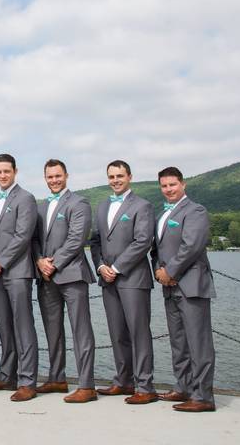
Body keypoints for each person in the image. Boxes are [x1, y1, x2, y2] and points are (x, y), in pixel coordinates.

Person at [89, 160, 158, 404]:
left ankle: (145, 387)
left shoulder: (143, 206)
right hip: (107, 279)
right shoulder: (102, 205)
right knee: (117, 333)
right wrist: (100, 266)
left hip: (133, 279)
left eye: (120, 175)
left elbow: (142, 242)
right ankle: (124, 381)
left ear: (129, 177)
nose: (115, 180)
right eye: (111, 176)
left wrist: (116, 268)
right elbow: (95, 241)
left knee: (139, 333)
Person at [151, 167, 217, 412]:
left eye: (172, 184)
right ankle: (184, 387)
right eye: (164, 186)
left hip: (191, 285)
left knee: (199, 343)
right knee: (179, 341)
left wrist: (170, 271)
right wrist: (159, 271)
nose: (168, 189)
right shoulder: (162, 215)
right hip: (169, 287)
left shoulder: (196, 211)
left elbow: (191, 246)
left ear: (183, 184)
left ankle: (203, 397)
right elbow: (156, 249)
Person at [33, 159, 97, 403]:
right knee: (53, 331)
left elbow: (76, 238)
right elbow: (33, 240)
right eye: (50, 177)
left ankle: (87, 385)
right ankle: (56, 379)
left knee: (81, 330)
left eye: (58, 176)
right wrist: (39, 260)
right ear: (45, 178)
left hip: (71, 275)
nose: (54, 180)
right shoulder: (40, 208)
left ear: (66, 176)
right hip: (45, 277)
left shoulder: (79, 203)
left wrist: (53, 263)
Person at [0, 153, 39, 401]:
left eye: (6, 171)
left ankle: (27, 381)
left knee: (23, 326)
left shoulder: (26, 198)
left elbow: (23, 236)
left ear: (15, 171)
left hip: (17, 272)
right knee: (4, 326)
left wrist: (1, 262)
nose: (2, 175)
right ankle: (7, 376)